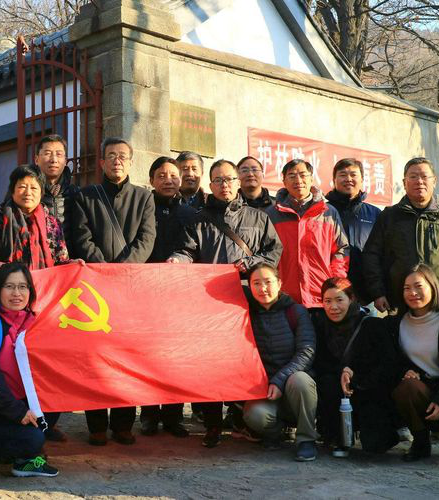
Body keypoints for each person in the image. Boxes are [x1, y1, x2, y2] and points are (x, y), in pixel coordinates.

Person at [168, 159, 282, 447]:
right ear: (211, 184)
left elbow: (273, 252)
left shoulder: (258, 218)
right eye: (218, 180)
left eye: (229, 179)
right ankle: (212, 424)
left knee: (246, 362)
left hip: (247, 301)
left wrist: (251, 263)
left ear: (237, 182)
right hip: (211, 304)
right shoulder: (198, 219)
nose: (224, 185)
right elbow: (188, 251)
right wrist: (177, 260)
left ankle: (243, 419)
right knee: (212, 365)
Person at [351, 264, 439, 461]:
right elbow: (391, 360)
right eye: (407, 288)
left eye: (418, 286)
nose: (413, 293)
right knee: (406, 388)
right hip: (422, 387)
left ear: (432, 286)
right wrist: (405, 371)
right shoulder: (395, 324)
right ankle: (420, 439)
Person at [70, 137, 156, 446]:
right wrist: (103, 270)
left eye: (122, 156)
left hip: (129, 289)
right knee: (93, 358)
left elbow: (147, 238)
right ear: (102, 162)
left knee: (125, 358)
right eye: (111, 156)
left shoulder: (144, 198)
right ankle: (95, 424)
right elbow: (81, 236)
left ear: (130, 162)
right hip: (93, 287)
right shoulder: (84, 196)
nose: (117, 161)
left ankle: (123, 424)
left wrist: (122, 270)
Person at [0, 262, 60, 477]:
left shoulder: (36, 322)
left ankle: (23, 457)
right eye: (9, 286)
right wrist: (18, 412)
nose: (16, 293)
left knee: (56, 401)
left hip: (23, 402)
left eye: (22, 287)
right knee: (34, 439)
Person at [362, 157, 439, 314]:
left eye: (424, 176)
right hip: (400, 301)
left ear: (434, 181)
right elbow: (372, 255)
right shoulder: (389, 217)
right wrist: (378, 293)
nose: (419, 181)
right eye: (413, 176)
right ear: (404, 182)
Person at [138, 157, 196, 438]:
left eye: (174, 175)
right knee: (148, 355)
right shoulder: (142, 207)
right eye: (161, 175)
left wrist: (179, 259)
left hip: (177, 293)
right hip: (145, 292)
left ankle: (174, 416)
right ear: (152, 180)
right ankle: (149, 415)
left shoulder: (190, 212)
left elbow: (192, 248)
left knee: (174, 356)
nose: (168, 180)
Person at [312, 277, 399, 457]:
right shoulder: (320, 326)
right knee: (327, 383)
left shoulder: (372, 325)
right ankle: (337, 435)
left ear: (351, 299)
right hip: (336, 393)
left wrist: (354, 375)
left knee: (375, 446)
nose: (333, 307)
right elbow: (320, 364)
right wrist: (342, 372)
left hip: (367, 389)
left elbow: (387, 363)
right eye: (327, 301)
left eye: (339, 300)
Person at [241, 264, 319, 461]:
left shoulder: (296, 311)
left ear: (279, 283)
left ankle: (306, 439)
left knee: (300, 380)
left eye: (268, 282)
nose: (263, 288)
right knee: (254, 414)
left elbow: (306, 352)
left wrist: (279, 380)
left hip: (293, 386)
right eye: (256, 283)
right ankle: (275, 433)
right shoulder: (246, 314)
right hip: (265, 390)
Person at [267, 159, 349, 312]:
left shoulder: (328, 212)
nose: (298, 180)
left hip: (322, 296)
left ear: (311, 179)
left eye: (303, 175)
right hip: (284, 297)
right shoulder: (272, 214)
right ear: (284, 181)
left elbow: (341, 249)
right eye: (292, 176)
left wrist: (334, 281)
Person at [0, 164, 69, 283]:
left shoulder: (52, 224)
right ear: (12, 191)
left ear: (41, 192)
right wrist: (5, 271)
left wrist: (74, 265)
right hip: (5, 290)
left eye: (34, 188)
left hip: (44, 290)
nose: (28, 192)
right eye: (22, 187)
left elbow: (61, 260)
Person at [324, 158, 381, 305]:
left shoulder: (375, 214)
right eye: (343, 175)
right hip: (331, 290)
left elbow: (382, 254)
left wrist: (379, 292)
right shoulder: (322, 212)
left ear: (362, 180)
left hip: (366, 293)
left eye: (353, 174)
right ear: (334, 180)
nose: (348, 179)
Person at [34, 134, 80, 246]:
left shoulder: (76, 193)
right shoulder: (27, 192)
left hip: (69, 255)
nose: (54, 160)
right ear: (36, 159)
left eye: (59, 154)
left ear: (65, 161)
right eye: (47, 153)